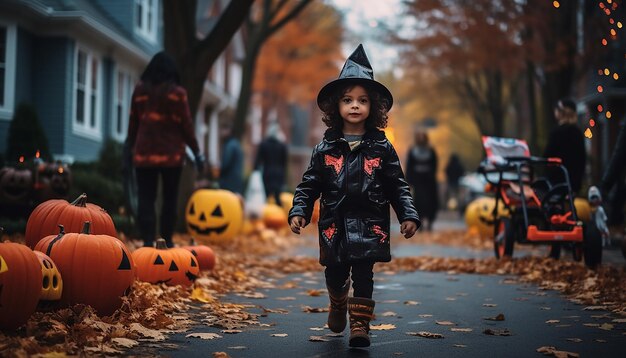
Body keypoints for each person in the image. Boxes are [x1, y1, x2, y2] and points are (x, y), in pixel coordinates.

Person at [288, 44, 420, 348]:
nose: (355, 106)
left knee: (364, 273)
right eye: (348, 100)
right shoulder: (324, 150)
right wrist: (300, 210)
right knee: (336, 272)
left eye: (362, 100)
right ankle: (337, 301)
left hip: (370, 222)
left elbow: (397, 185)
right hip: (334, 223)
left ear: (374, 106)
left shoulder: (382, 148)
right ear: (337, 106)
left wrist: (408, 214)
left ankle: (360, 325)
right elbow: (309, 185)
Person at [126, 51, 204, 248]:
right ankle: (167, 241)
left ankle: (147, 242)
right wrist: (197, 152)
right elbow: (186, 126)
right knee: (170, 199)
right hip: (171, 156)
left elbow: (133, 122)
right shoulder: (177, 93)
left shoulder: (140, 91)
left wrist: (128, 148)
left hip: (144, 155)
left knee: (146, 199)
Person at [542, 98, 586, 196]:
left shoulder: (556, 132)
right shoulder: (577, 133)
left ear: (562, 113)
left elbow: (547, 156)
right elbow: (582, 159)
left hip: (556, 182)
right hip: (573, 182)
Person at [406, 129, 439, 231]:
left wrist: (431, 175)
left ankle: (429, 222)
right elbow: (409, 166)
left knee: (430, 202)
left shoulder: (431, 150)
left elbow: (434, 165)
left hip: (429, 181)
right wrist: (409, 180)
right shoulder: (412, 150)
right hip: (417, 181)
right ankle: (419, 222)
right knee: (418, 202)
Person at [254, 122, 288, 206]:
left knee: (265, 196)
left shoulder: (264, 144)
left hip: (267, 173)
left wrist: (255, 172)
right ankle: (279, 216)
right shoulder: (282, 146)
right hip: (279, 174)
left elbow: (258, 160)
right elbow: (284, 163)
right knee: (277, 198)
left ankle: (265, 213)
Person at [218, 124, 244, 194]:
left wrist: (219, 175)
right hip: (236, 181)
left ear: (229, 131)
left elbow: (226, 163)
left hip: (229, 182)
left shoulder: (230, 145)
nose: (221, 132)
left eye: (223, 130)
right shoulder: (236, 144)